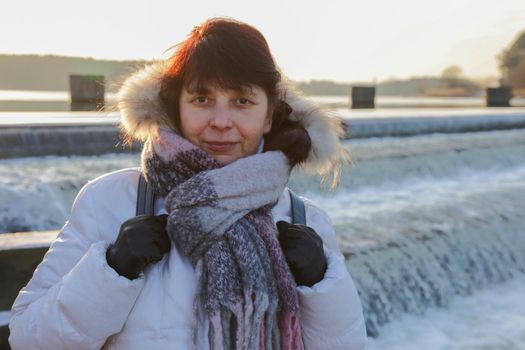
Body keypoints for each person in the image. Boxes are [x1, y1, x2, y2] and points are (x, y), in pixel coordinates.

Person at [8, 17, 367, 350]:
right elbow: (28, 339)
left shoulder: (305, 219)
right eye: (202, 99)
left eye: (242, 101)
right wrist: (112, 270)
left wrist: (320, 283)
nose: (221, 121)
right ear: (176, 107)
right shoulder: (112, 201)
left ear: (269, 115)